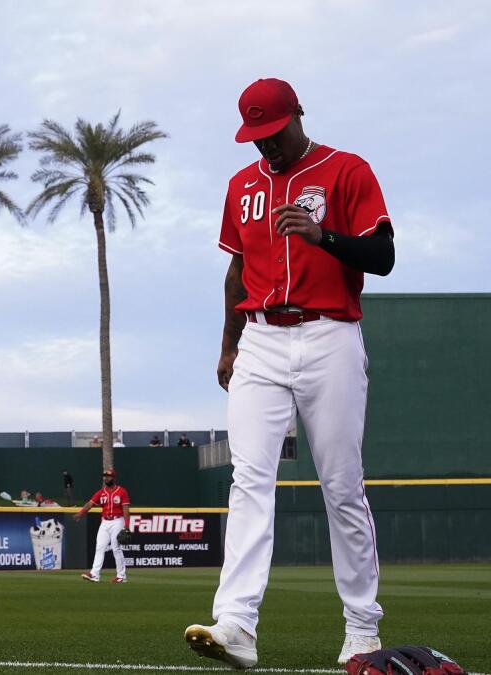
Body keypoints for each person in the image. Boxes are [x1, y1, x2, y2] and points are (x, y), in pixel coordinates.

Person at [185, 78, 393, 669]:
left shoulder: (347, 170)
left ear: (297, 115)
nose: (266, 147)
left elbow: (383, 258)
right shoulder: (241, 185)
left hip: (330, 334)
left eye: (273, 133)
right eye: (255, 137)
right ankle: (237, 625)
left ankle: (362, 628)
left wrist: (322, 235)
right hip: (261, 338)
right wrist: (229, 344)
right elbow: (236, 270)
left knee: (342, 486)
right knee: (248, 480)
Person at [75, 469, 130, 584]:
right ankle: (94, 574)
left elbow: (125, 509)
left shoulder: (122, 491)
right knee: (100, 547)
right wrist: (81, 513)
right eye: (105, 476)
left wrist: (126, 526)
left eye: (108, 476)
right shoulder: (101, 492)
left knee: (116, 547)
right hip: (105, 522)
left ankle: (121, 576)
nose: (106, 478)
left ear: (113, 478)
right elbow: (90, 504)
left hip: (117, 521)